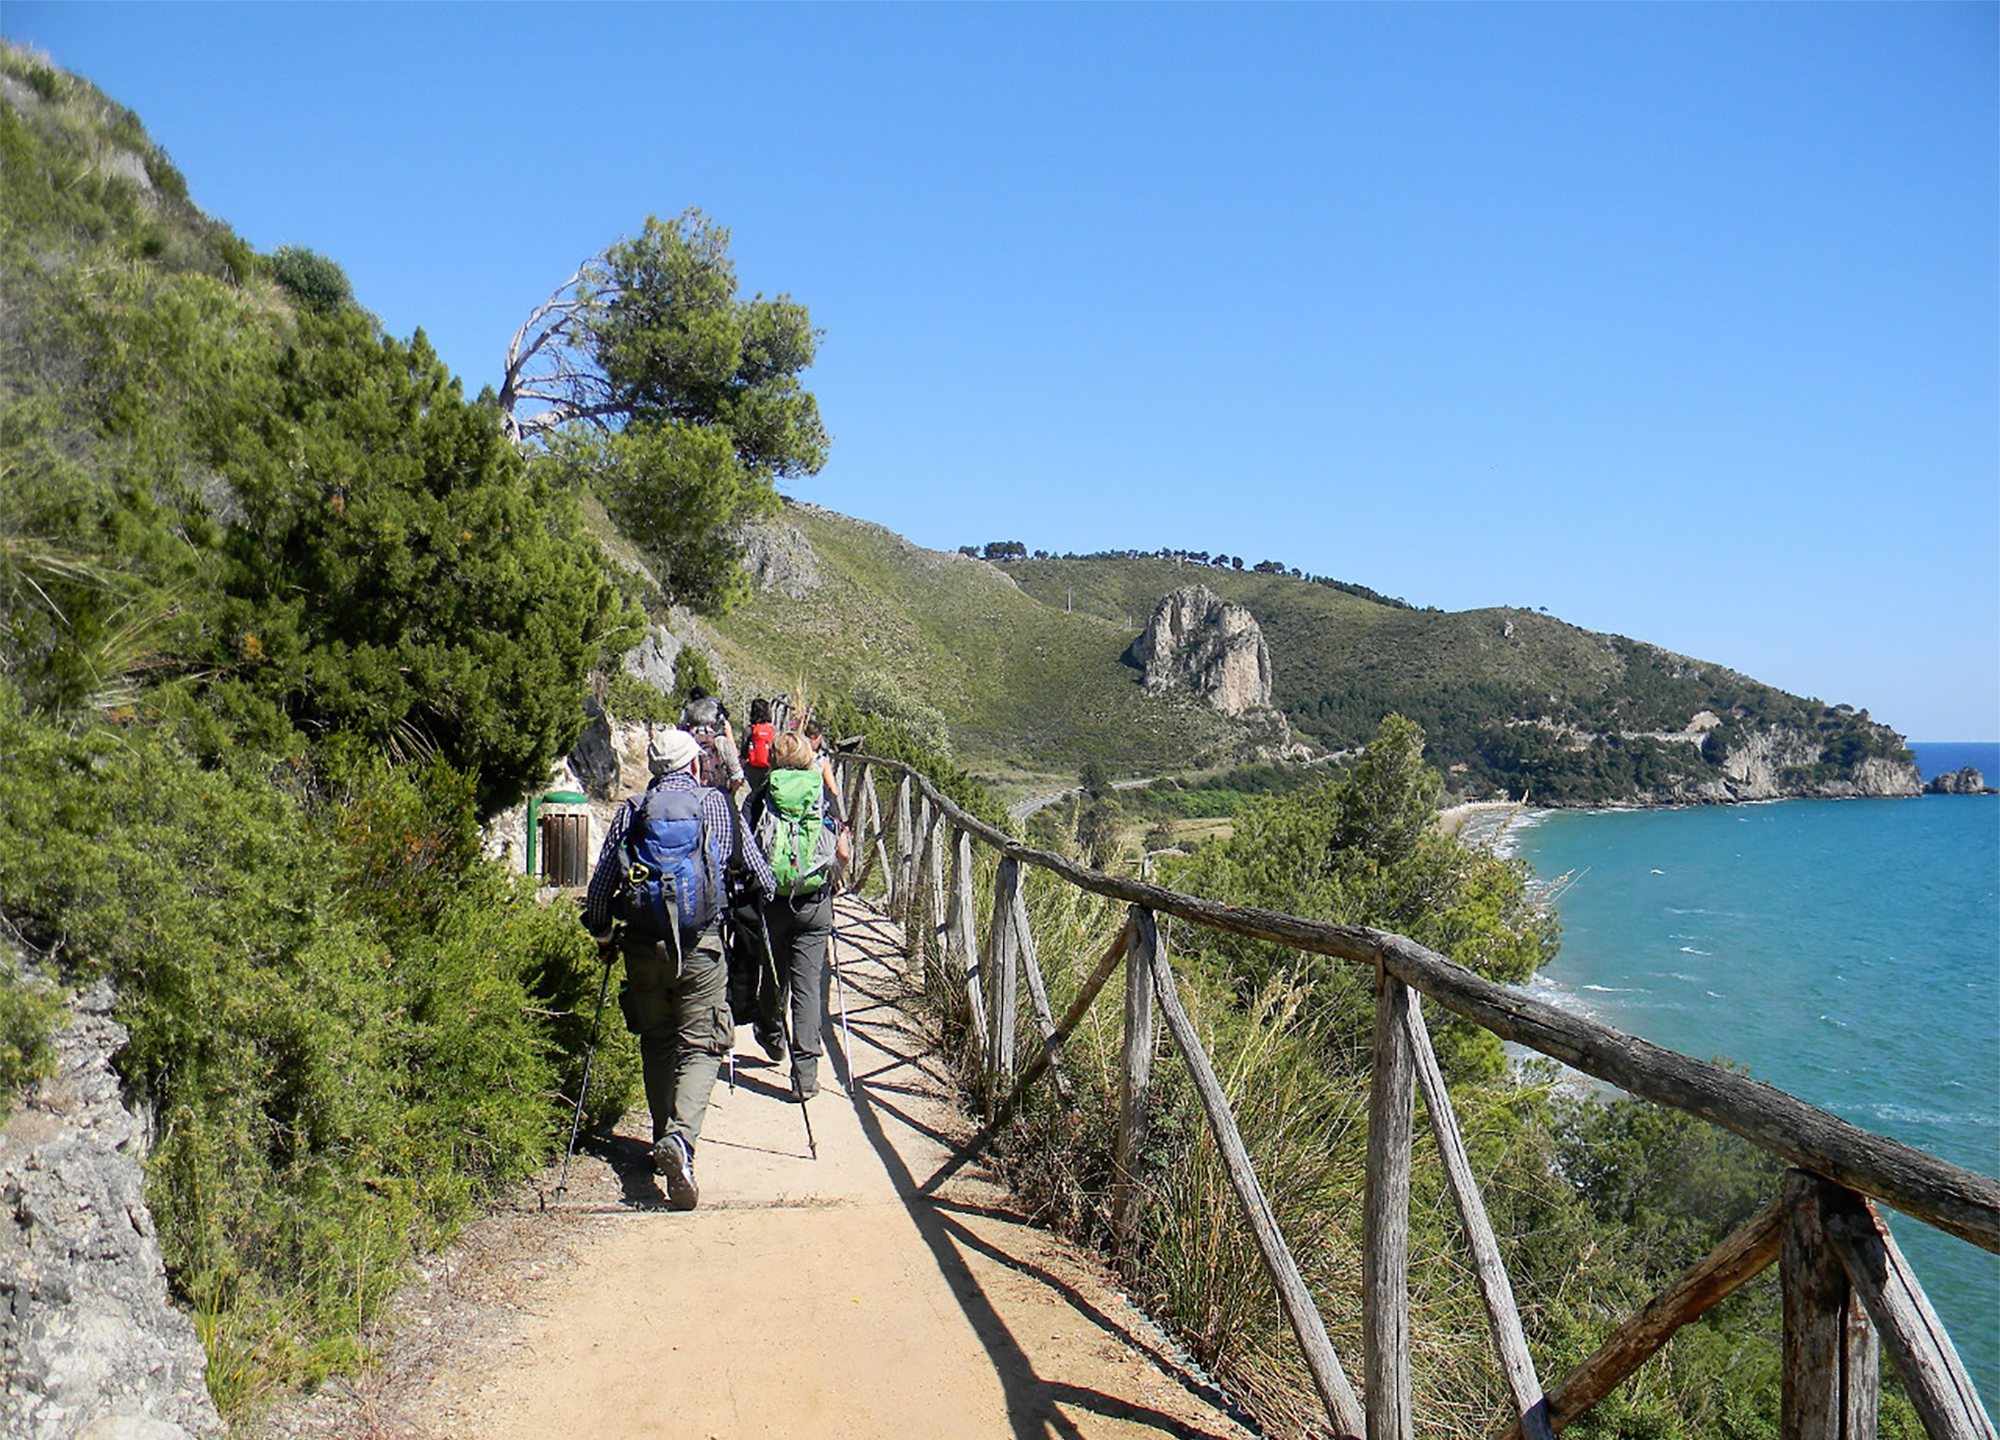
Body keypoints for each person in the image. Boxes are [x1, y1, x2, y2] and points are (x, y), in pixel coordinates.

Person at [583, 728, 775, 1210]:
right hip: (701, 945)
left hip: (644, 947)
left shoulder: (632, 811)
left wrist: (605, 936)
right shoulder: (715, 805)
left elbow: (601, 888)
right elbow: (757, 872)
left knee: (658, 1039)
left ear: (653, 769)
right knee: (705, 1042)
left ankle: (659, 1138)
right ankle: (681, 1141)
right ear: (694, 765)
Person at [746, 732, 851, 1100]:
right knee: (808, 986)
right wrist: (832, 879)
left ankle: (772, 1036)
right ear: (809, 758)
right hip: (815, 902)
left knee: (773, 975)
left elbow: (746, 847)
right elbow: (843, 852)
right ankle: (805, 1076)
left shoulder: (761, 795)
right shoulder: (822, 795)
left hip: (773, 901)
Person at [681, 691, 746, 794]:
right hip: (719, 793)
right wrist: (730, 794)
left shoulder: (685, 742)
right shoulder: (721, 742)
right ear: (712, 722)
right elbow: (738, 777)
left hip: (692, 798)